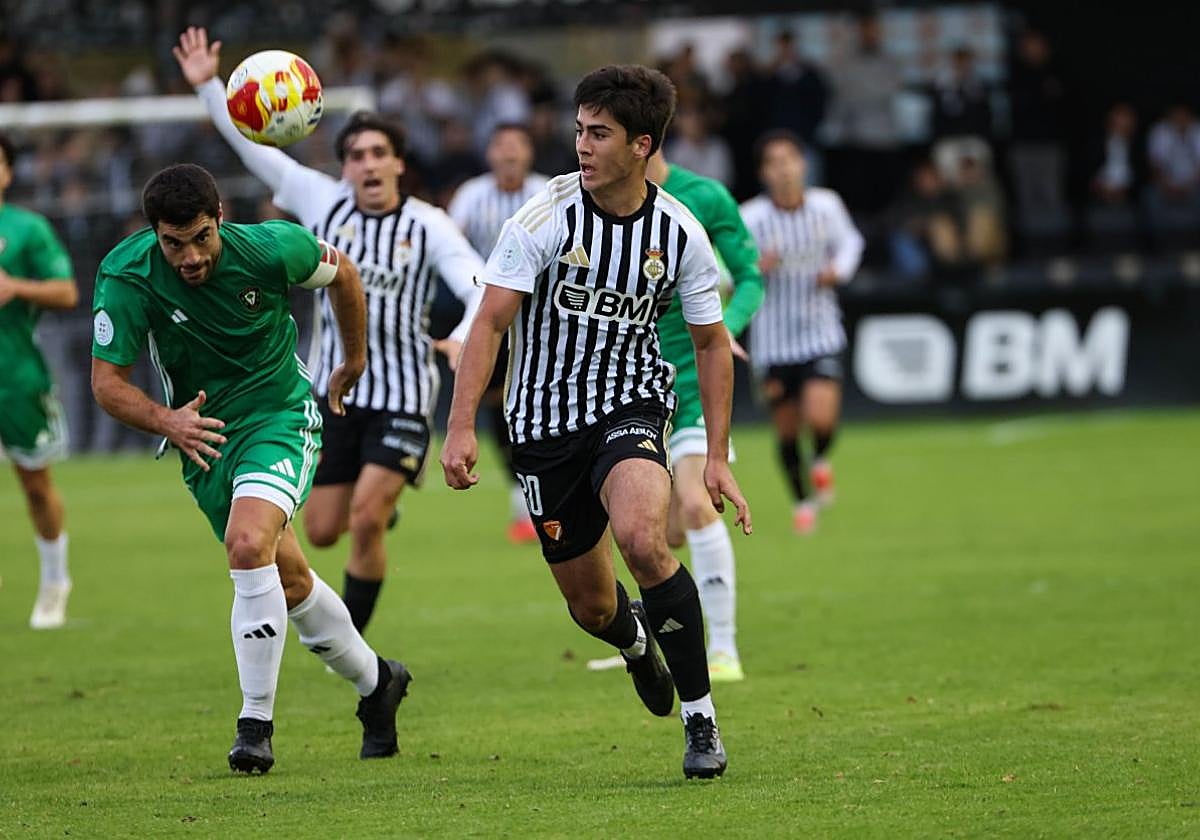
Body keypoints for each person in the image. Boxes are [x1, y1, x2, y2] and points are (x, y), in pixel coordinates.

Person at [440, 64, 751, 780]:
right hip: (543, 424)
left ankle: (700, 719)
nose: (581, 144)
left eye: (599, 133)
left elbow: (710, 342)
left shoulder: (679, 234)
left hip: (631, 404)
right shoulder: (542, 219)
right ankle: (636, 643)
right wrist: (459, 429)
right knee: (590, 606)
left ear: (643, 145)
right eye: (579, 129)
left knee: (644, 538)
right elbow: (489, 324)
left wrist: (719, 455)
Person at [91, 163, 410, 774]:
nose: (188, 256)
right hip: (202, 437)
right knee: (286, 581)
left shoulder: (271, 247)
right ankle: (378, 684)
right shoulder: (126, 273)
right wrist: (168, 421)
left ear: (220, 218)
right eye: (173, 243)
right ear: (153, 234)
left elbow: (343, 273)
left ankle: (254, 725)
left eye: (200, 237)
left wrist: (352, 360)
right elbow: (107, 384)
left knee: (246, 544)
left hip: (278, 415)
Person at [175, 27, 484, 634]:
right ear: (344, 167)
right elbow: (252, 151)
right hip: (331, 393)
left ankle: (358, 643)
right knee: (319, 530)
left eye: (377, 153)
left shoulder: (429, 224)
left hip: (400, 395)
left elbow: (475, 279)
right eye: (355, 155)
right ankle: (378, 505)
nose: (367, 165)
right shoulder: (324, 203)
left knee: (366, 518)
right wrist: (208, 86)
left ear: (398, 163)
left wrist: (465, 332)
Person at [741, 131, 863, 535]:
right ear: (764, 172)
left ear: (803, 164)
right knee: (788, 430)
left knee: (821, 417)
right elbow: (727, 270)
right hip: (773, 343)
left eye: (790, 159)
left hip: (820, 331)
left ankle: (822, 457)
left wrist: (838, 271)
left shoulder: (826, 206)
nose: (784, 169)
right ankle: (802, 500)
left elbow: (851, 243)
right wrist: (756, 268)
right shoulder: (751, 218)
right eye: (774, 162)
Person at [447, 123, 548, 543]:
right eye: (500, 145)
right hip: (491, 317)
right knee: (496, 407)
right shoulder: (472, 195)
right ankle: (521, 498)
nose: (508, 153)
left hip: (543, 321)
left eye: (517, 145)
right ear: (490, 154)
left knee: (540, 401)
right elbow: (449, 245)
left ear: (529, 153)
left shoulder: (548, 192)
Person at [0, 131, 78, 629]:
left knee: (34, 485)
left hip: (15, 376)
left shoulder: (27, 229)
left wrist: (15, 287)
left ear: (7, 172)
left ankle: (55, 580)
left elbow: (68, 291)